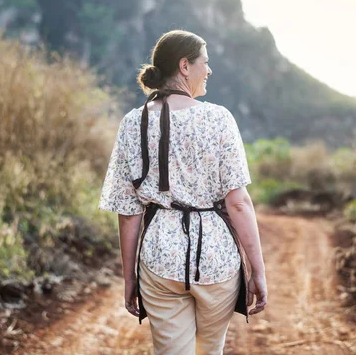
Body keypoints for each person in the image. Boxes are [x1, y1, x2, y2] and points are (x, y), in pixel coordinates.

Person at [98, 30, 267, 354]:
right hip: (216, 260)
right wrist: (257, 271)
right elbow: (239, 203)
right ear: (185, 66)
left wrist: (130, 277)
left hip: (160, 258)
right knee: (210, 349)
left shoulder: (133, 122)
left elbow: (128, 210)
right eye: (206, 62)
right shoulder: (219, 118)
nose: (210, 70)